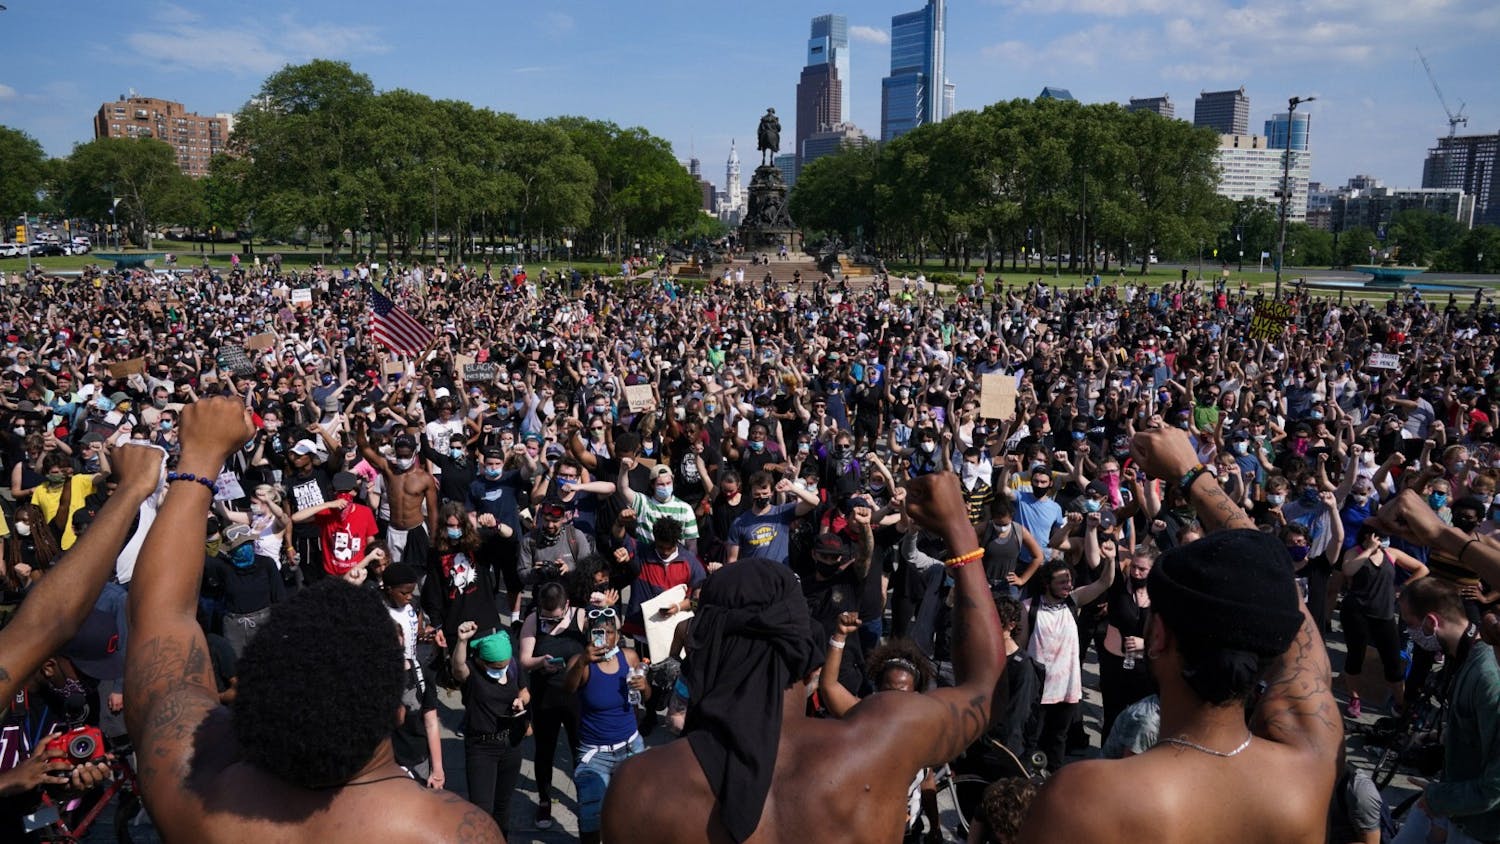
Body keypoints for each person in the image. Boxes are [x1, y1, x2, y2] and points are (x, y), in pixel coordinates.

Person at [121, 397, 502, 842]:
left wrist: (194, 460)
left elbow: (159, 619)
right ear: (398, 712)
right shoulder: (452, 832)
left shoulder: (193, 791)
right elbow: (162, 618)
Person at [602, 472, 1005, 844]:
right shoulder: (881, 743)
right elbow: (983, 688)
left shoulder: (640, 786)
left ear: (702, 653)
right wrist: (959, 531)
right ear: (811, 663)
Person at [1018, 426, 1341, 844]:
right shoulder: (1310, 766)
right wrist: (1193, 473)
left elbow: (1276, 592)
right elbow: (1276, 590)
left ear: (1157, 638)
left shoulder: (1086, 796)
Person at [1389, 577, 1500, 844]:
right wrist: (1439, 738)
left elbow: (1495, 785)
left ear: (1431, 622)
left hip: (1476, 823)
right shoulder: (1461, 657)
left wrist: (1439, 799)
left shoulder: (1487, 676)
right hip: (1453, 803)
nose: (1408, 632)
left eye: (1410, 623)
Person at [564, 605, 648, 844]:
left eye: (609, 632)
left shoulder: (629, 657)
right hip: (594, 754)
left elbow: (646, 697)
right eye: (598, 632)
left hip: (631, 748)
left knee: (634, 814)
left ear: (618, 635)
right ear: (589, 635)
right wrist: (582, 661)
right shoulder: (580, 662)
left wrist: (645, 687)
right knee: (591, 820)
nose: (604, 637)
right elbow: (568, 689)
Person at [1335, 523, 1428, 718]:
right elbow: (1348, 570)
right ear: (1369, 536)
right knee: (1355, 657)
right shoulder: (1354, 552)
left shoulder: (1390, 553)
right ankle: (1355, 698)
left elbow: (1422, 569)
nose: (1385, 541)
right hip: (1356, 613)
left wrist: (1402, 588)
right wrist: (1367, 550)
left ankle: (1401, 702)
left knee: (1393, 662)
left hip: (1383, 614)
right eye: (1381, 536)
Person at [516, 580, 586, 830]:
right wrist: (540, 663)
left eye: (556, 618)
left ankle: (585, 797)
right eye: (548, 618)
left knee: (580, 750)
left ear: (567, 605)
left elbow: (604, 645)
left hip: (577, 697)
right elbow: (524, 660)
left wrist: (604, 612)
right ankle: (545, 799)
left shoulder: (581, 616)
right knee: (544, 751)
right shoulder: (534, 619)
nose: (552, 623)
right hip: (545, 695)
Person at [451, 621, 528, 838]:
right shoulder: (472, 675)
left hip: (510, 744)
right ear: (482, 661)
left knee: (503, 807)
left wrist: (521, 700)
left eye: (504, 665)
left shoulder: (512, 665)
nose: (502, 670)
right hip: (482, 748)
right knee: (481, 811)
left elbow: (525, 691)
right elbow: (458, 668)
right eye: (496, 667)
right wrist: (462, 641)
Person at [355, 419, 439, 569]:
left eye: (406, 456)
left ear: (414, 453)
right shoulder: (389, 469)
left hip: (416, 530)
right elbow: (364, 448)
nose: (402, 460)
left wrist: (433, 538)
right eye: (399, 456)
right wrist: (360, 425)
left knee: (422, 575)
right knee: (395, 572)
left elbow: (432, 510)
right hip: (393, 531)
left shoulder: (425, 478)